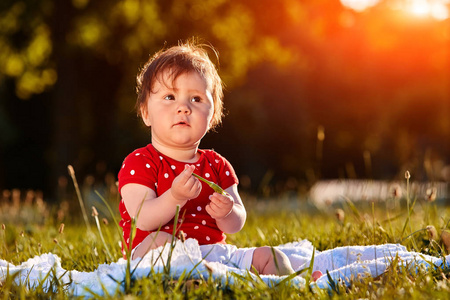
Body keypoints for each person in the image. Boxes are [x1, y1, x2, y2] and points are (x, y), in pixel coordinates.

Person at [117, 40, 294, 276]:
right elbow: (144, 219)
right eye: (170, 97)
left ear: (212, 118)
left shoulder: (217, 164)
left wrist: (228, 212)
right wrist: (174, 197)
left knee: (271, 256)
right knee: (159, 241)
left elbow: (236, 224)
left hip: (213, 254)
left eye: (196, 99)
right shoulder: (140, 161)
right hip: (156, 253)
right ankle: (196, 277)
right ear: (146, 113)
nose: (183, 108)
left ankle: (293, 284)